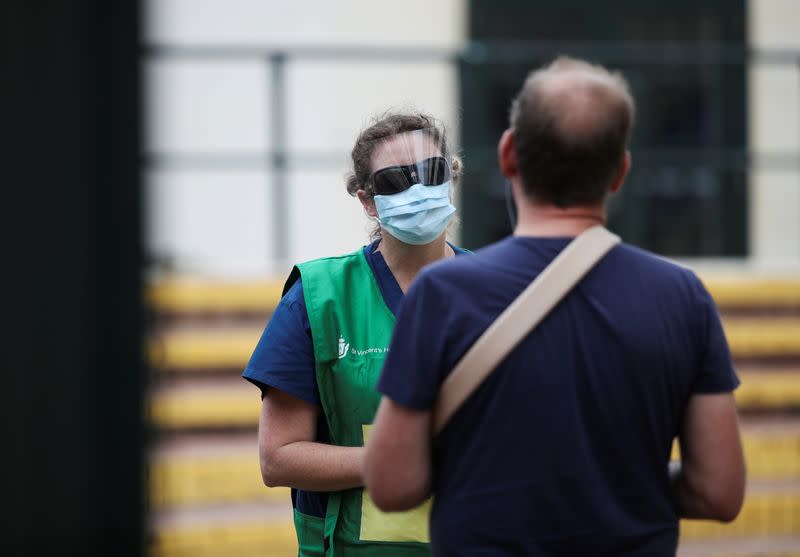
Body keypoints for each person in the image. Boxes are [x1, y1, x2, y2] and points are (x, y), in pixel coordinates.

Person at [364, 57, 746, 556]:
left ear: (507, 156)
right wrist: (615, 486)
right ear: (621, 171)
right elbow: (718, 490)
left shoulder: (443, 294)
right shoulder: (683, 296)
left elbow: (392, 483)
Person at [243, 112, 468, 556]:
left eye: (433, 172)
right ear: (367, 200)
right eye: (395, 181)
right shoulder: (318, 297)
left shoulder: (500, 292)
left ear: (451, 179)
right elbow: (278, 457)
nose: (419, 190)